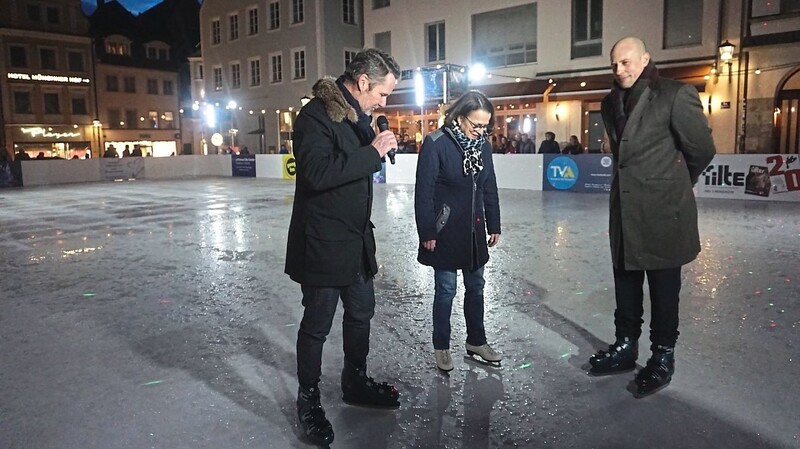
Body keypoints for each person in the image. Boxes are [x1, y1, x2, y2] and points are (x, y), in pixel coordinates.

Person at [284, 48, 401, 446]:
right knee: (317, 324)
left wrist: (373, 140)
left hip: (355, 239)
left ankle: (355, 381)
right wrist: (373, 152)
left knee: (361, 313)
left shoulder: (359, 118)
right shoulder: (315, 115)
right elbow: (316, 174)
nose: (384, 103)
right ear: (363, 82)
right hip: (322, 240)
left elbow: (354, 166)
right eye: (383, 94)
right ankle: (309, 399)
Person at [588, 37, 716, 398]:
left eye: (626, 62)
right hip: (625, 212)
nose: (619, 70)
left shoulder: (675, 94)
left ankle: (662, 356)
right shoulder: (609, 101)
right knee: (626, 285)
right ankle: (626, 346)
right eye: (614, 65)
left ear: (645, 59)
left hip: (664, 212)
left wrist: (674, 182)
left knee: (664, 291)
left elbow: (702, 150)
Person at [414, 90, 502, 373]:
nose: (480, 131)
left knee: (476, 287)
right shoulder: (436, 143)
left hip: (475, 232)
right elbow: (424, 193)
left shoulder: (482, 146)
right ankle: (442, 346)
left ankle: (476, 341)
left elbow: (489, 186)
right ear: (460, 117)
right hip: (445, 231)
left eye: (485, 126)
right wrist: (427, 230)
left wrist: (494, 223)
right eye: (475, 125)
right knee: (446, 291)